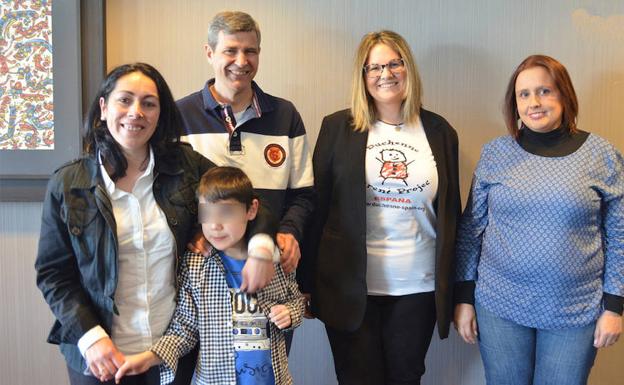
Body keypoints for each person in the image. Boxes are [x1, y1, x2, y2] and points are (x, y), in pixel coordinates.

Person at [35, 63, 276, 385]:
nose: (136, 112)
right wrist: (90, 337)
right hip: (99, 356)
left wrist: (260, 249)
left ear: (160, 114)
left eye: (148, 103)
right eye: (125, 100)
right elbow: (53, 274)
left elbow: (247, 200)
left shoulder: (186, 167)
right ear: (104, 108)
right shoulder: (69, 183)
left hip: (172, 349)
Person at [454, 54, 623, 385]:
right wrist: (463, 298)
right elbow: (470, 231)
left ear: (564, 95)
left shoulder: (602, 155)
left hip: (574, 310)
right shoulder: (495, 154)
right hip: (499, 304)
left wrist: (615, 307)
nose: (534, 102)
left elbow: (620, 236)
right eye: (524, 94)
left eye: (545, 91)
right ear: (514, 103)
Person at [305, 30, 460, 385]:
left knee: (406, 377)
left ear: (409, 69)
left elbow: (453, 217)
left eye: (394, 63)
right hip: (347, 287)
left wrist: (457, 290)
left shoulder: (440, 132)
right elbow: (318, 207)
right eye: (373, 67)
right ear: (362, 76)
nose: (385, 73)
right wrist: (306, 282)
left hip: (417, 289)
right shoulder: (337, 127)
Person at [114, 166, 304, 385]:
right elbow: (183, 329)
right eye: (207, 213)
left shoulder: (276, 259)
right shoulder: (196, 266)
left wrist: (290, 313)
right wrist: (149, 358)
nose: (215, 225)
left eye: (226, 212)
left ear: (251, 210)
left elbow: (296, 299)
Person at [176, 11, 315, 296]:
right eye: (231, 50)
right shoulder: (179, 116)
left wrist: (289, 231)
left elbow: (304, 194)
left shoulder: (285, 115)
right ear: (209, 53)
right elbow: (170, 194)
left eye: (250, 51)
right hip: (203, 272)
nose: (241, 61)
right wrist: (194, 231)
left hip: (270, 269)